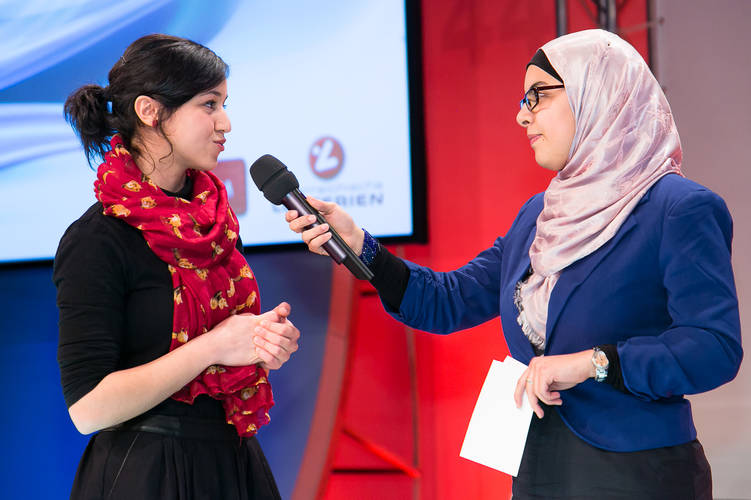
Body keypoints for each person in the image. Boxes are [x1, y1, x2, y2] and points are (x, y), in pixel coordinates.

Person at [286, 29, 742, 499]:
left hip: (639, 473)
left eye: (537, 95)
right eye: (523, 100)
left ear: (597, 93)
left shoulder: (678, 208)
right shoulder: (539, 216)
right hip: (538, 469)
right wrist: (360, 245)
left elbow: (713, 348)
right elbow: (446, 301)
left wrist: (595, 362)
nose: (522, 115)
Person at [55, 34, 299, 499]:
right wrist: (215, 346)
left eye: (224, 104)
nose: (225, 123)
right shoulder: (97, 239)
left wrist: (259, 344)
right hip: (147, 474)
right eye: (209, 104)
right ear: (150, 111)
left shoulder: (214, 222)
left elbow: (225, 346)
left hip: (232, 461)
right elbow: (88, 409)